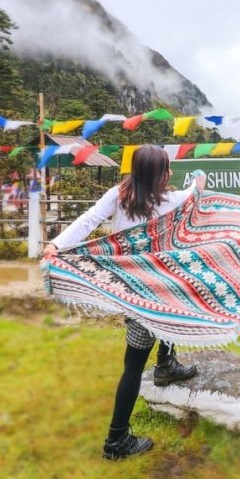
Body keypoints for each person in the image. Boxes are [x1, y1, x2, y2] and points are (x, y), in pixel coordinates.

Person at [41, 145, 199, 460]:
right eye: (166, 169)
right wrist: (198, 182)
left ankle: (166, 364)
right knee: (134, 363)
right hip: (149, 293)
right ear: (159, 175)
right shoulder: (170, 200)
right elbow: (194, 192)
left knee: (177, 300)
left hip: (133, 288)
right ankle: (116, 442)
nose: (169, 173)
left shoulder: (119, 194)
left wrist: (57, 244)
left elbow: (88, 221)